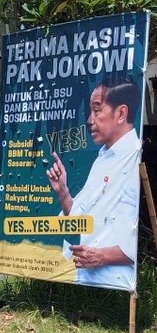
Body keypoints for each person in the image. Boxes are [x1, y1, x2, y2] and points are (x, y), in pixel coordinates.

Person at [45, 76, 142, 289]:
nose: (90, 119)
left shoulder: (135, 159)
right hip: (87, 281)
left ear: (121, 113)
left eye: (97, 110)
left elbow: (136, 237)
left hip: (116, 284)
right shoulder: (104, 157)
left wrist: (102, 257)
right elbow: (81, 218)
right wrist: (63, 193)